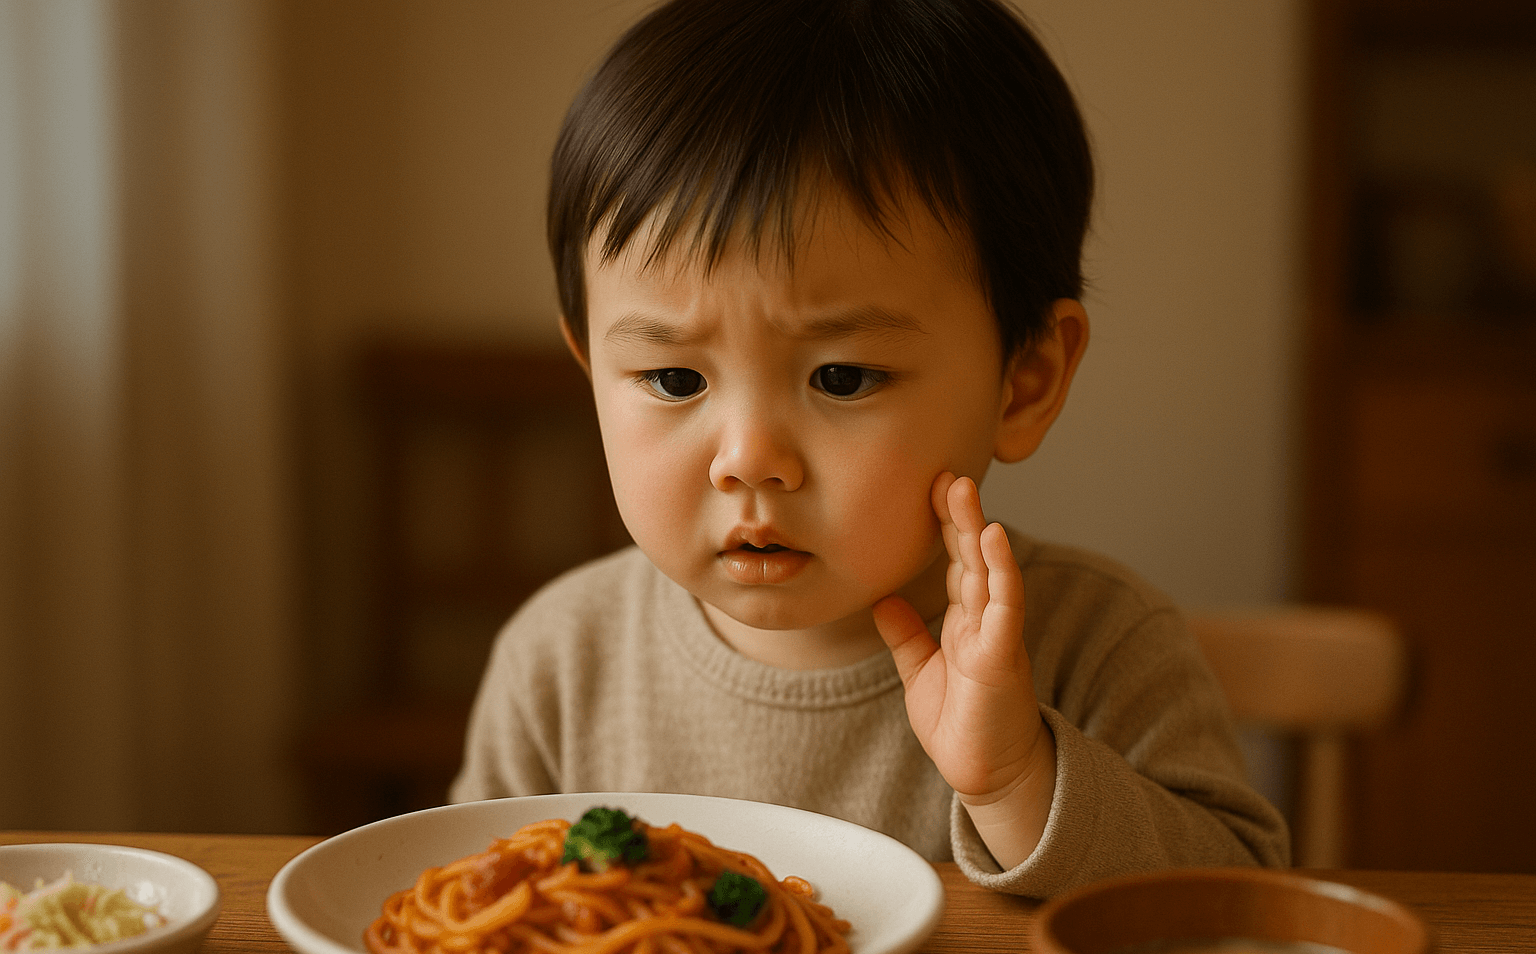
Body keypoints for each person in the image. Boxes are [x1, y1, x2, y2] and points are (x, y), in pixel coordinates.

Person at [450, 0, 1289, 897]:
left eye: (842, 378)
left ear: (1025, 380)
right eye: (675, 379)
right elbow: (471, 915)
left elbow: (1240, 908)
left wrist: (1018, 781)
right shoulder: (561, 662)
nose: (749, 459)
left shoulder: (1099, 647)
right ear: (590, 367)